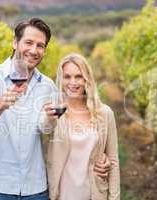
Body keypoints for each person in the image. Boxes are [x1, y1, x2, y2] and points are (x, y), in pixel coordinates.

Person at [0, 18, 111, 200]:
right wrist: (3, 102)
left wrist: (97, 156)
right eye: (28, 43)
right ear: (15, 43)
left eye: (40, 45)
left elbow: (47, 129)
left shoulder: (48, 86)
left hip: (35, 190)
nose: (34, 50)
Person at [42, 53, 120, 200]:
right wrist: (47, 117)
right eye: (67, 77)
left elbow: (113, 161)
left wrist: (114, 198)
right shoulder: (55, 112)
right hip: (61, 195)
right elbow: (44, 127)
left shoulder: (104, 113)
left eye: (78, 76)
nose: (73, 82)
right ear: (61, 79)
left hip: (94, 194)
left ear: (87, 79)